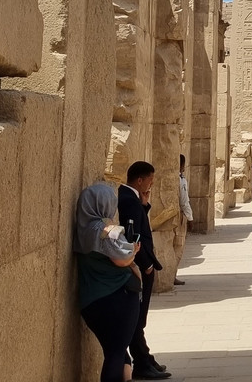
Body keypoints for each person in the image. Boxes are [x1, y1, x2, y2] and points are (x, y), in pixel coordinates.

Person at [74, 183, 141, 382]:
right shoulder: (106, 229)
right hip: (117, 298)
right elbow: (121, 258)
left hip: (91, 302)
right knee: (116, 353)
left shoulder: (83, 229)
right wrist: (133, 252)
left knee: (116, 351)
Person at [118, 161, 170, 380]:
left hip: (142, 264)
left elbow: (137, 224)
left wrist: (145, 206)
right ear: (140, 180)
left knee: (139, 317)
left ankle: (145, 357)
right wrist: (146, 264)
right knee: (136, 318)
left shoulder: (134, 199)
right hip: (139, 267)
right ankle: (141, 362)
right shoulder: (129, 200)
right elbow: (133, 236)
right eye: (150, 179)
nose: (152, 183)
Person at [173, 154, 193, 286]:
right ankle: (172, 275)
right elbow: (184, 201)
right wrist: (190, 218)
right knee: (178, 247)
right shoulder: (181, 180)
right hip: (179, 215)